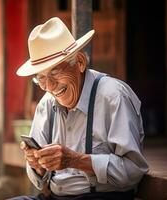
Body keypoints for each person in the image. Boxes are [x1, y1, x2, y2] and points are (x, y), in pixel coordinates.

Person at [10, 17, 149, 200]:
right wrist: (38, 164)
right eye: (41, 78)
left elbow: (133, 171)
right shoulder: (46, 103)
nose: (49, 86)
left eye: (55, 72)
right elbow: (38, 178)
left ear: (81, 62)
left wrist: (75, 160)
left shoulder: (113, 96)